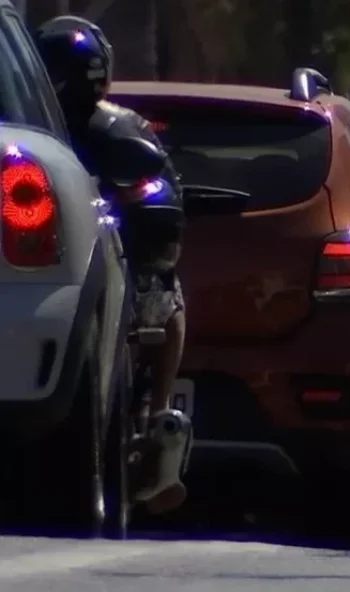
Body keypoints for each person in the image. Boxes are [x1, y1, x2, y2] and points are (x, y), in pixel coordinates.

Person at [33, 15, 191, 515]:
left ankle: (155, 422)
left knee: (167, 301)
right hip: (42, 276)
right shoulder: (35, 137)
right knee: (169, 301)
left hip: (110, 269)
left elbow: (161, 198)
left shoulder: (114, 129)